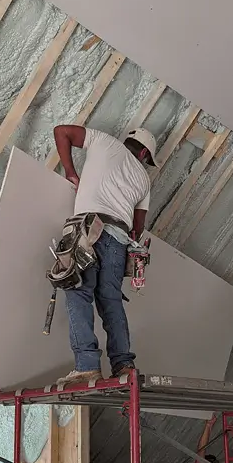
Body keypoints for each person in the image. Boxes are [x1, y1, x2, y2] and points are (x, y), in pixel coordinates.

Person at [52, 124, 157, 384]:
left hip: (88, 229)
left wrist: (70, 172)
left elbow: (61, 131)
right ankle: (124, 365)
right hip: (118, 239)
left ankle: (87, 365)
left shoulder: (104, 141)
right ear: (144, 153)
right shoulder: (144, 181)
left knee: (78, 291)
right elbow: (138, 228)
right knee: (111, 301)